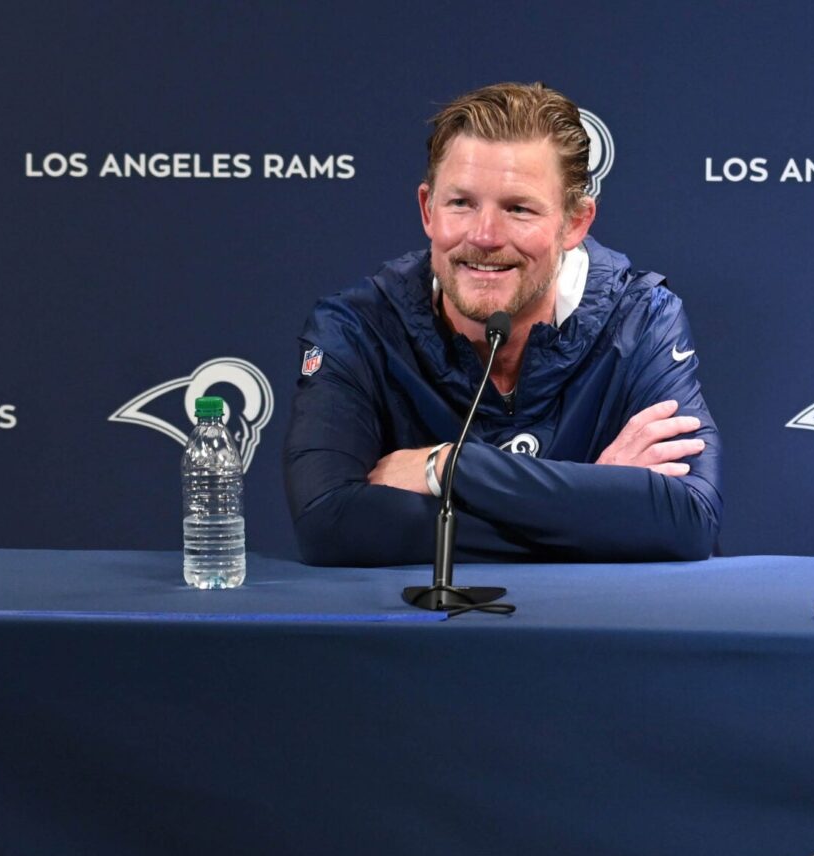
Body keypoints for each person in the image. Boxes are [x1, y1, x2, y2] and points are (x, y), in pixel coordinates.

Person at [284, 82, 719, 566]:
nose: (485, 236)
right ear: (428, 210)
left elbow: (688, 521)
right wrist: (598, 509)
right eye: (461, 204)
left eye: (518, 208)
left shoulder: (642, 319)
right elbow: (329, 525)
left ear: (575, 222)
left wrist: (451, 467)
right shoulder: (357, 328)